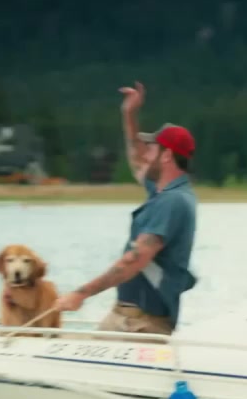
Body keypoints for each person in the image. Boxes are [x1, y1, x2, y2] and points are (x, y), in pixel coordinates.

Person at [55, 81, 198, 335]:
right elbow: (135, 158)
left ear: (166, 155)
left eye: (151, 148)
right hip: (123, 317)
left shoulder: (172, 202)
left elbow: (135, 260)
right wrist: (129, 114)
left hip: (143, 325)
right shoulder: (163, 192)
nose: (145, 154)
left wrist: (81, 294)